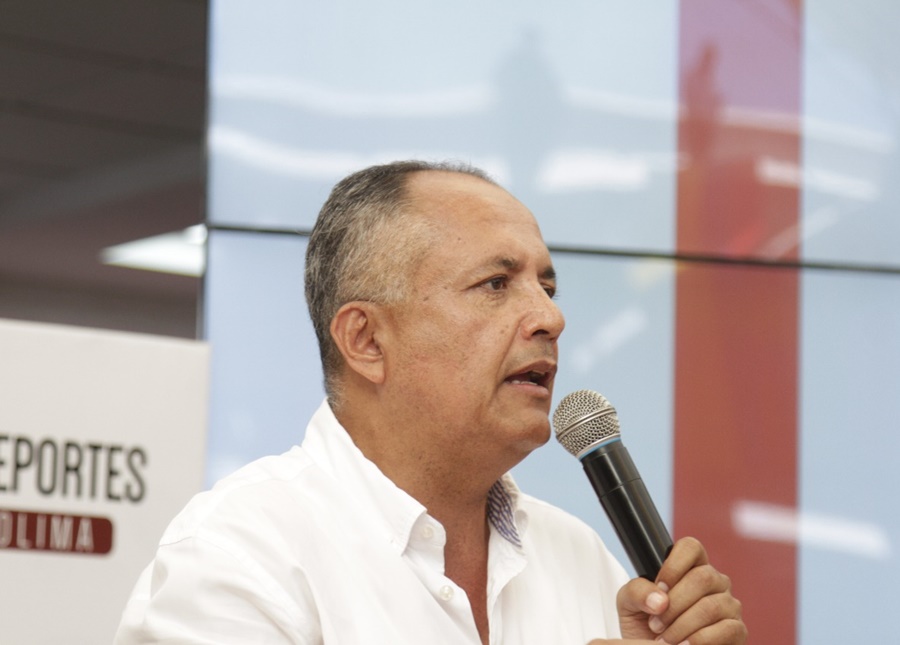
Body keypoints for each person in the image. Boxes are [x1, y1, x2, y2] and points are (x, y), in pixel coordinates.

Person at [116, 161, 746, 644]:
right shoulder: (241, 554)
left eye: (547, 288)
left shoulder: (580, 556)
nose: (550, 318)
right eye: (495, 284)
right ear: (367, 340)